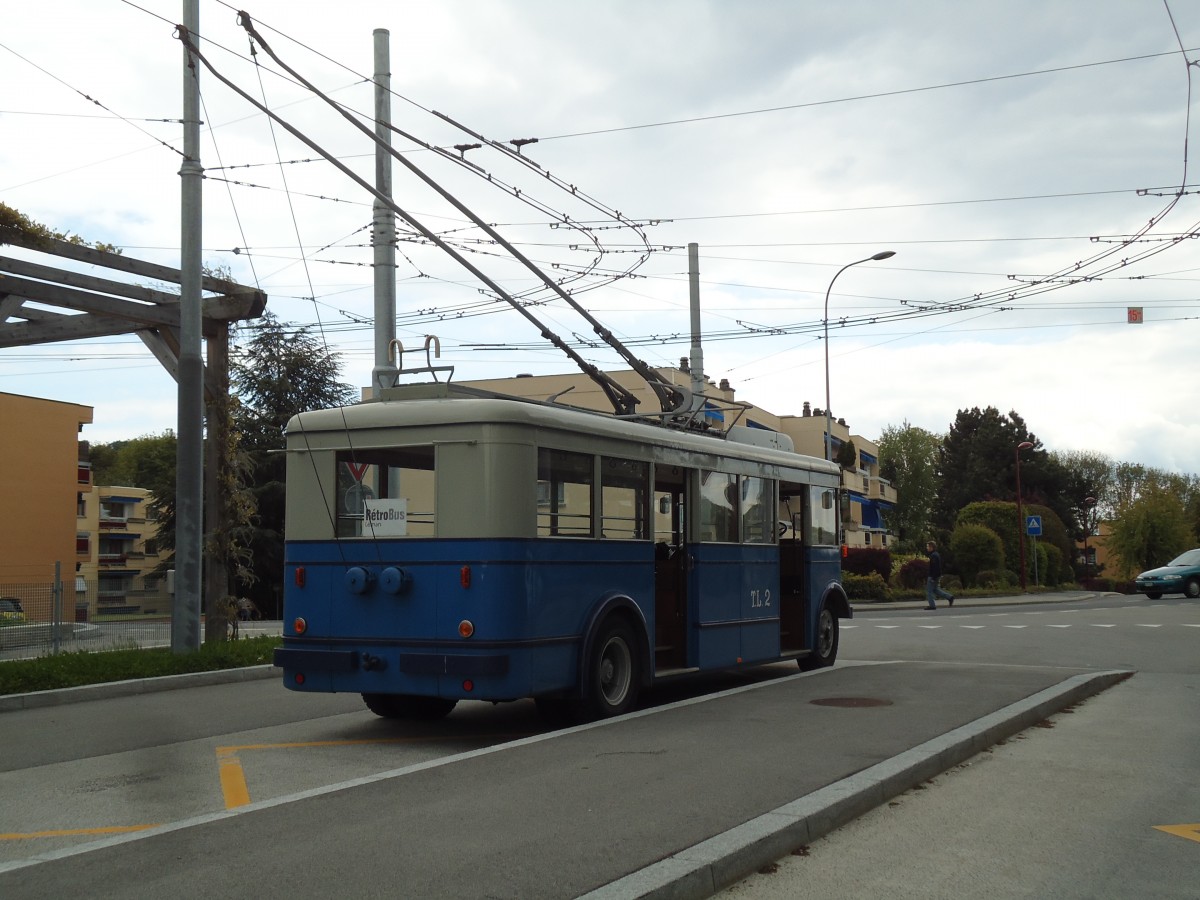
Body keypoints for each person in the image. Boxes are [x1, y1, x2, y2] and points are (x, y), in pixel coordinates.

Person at [924, 540, 955, 610]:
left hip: (932, 576)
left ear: (931, 547)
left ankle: (932, 605)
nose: (927, 548)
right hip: (936, 575)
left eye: (928, 546)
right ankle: (950, 597)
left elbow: (935, 568)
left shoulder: (934, 556)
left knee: (929, 591)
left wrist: (933, 578)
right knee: (935, 590)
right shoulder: (935, 555)